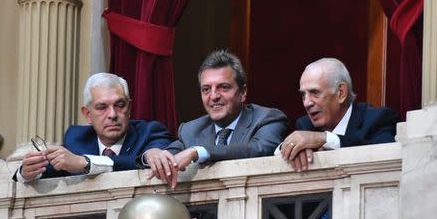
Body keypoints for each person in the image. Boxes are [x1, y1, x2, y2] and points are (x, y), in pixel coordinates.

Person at [144, 50, 289, 189]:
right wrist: (152, 155)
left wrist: (198, 152)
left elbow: (259, 149)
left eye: (224, 87)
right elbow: (170, 154)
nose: (213, 96)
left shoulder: (267, 118)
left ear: (243, 92)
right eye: (206, 89)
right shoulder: (190, 130)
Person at [15, 73, 173, 182]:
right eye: (102, 107)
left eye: (119, 105)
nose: (112, 114)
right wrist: (26, 173)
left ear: (129, 108)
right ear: (88, 114)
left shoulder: (150, 133)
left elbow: (141, 161)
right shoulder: (76, 139)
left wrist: (86, 163)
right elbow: (45, 173)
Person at [278, 58, 398, 172]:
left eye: (315, 92)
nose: (307, 103)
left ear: (341, 93)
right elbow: (276, 154)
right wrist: (292, 148)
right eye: (303, 95)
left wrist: (325, 139)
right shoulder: (305, 125)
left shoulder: (378, 118)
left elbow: (386, 154)